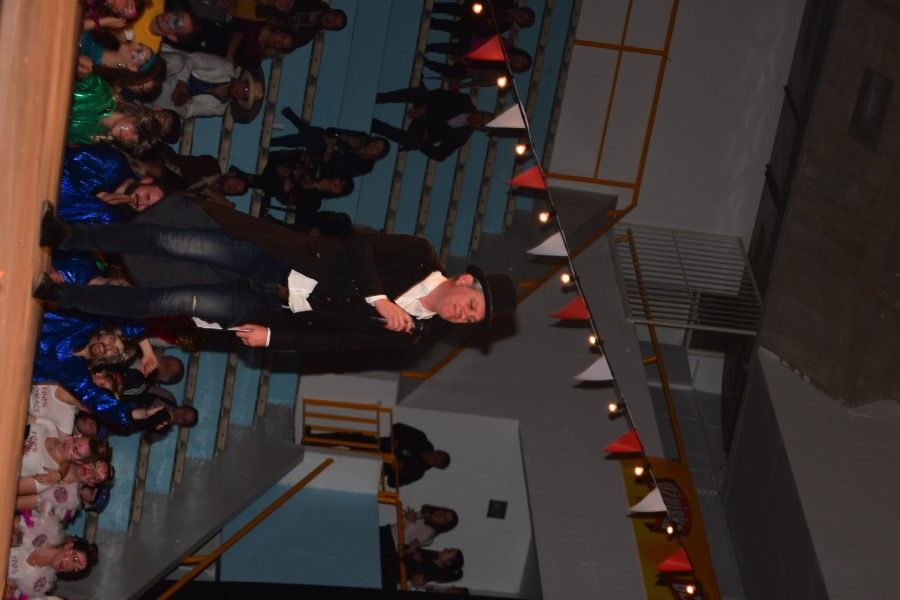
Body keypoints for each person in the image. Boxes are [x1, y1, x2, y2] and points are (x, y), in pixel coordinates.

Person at [36, 195, 518, 353]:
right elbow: (360, 245)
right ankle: (67, 235)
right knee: (174, 241)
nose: (463, 315)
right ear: (466, 281)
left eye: (470, 320)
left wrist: (273, 338)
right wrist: (379, 299)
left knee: (169, 302)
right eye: (471, 306)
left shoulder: (411, 335)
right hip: (278, 259)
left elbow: (334, 341)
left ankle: (63, 296)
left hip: (272, 307)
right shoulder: (419, 255)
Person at [372, 85, 494, 161]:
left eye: (480, 124)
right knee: (420, 93)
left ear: (479, 129)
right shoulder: (464, 100)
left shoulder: (462, 136)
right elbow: (438, 94)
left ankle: (375, 125)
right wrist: (425, 109)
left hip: (424, 130)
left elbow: (440, 155)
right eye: (481, 116)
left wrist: (424, 143)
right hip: (427, 107)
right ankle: (377, 98)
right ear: (481, 111)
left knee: (414, 142)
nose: (478, 120)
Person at [6, 510, 97, 598]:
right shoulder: (42, 528)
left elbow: (6, 584)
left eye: (74, 569)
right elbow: (6, 521)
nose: (69, 566)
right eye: (75, 559)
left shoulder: (34, 582)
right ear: (69, 546)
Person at [67, 73, 162, 157]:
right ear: (135, 116)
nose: (126, 136)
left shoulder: (93, 139)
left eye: (131, 141)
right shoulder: (101, 92)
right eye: (134, 130)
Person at [154, 49, 264, 121]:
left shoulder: (219, 109)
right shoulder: (225, 67)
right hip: (176, 70)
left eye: (244, 96)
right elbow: (193, 59)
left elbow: (189, 111)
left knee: (172, 108)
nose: (241, 93)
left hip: (170, 95)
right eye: (245, 88)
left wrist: (181, 103)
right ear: (243, 80)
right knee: (176, 61)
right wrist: (182, 83)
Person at [430, 1, 535, 37]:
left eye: (522, 20)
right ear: (522, 10)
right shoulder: (509, 2)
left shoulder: (506, 26)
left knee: (462, 29)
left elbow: (489, 32)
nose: (519, 16)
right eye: (522, 14)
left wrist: (488, 23)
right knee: (464, 10)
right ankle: (435, 7)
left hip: (476, 23)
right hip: (478, 8)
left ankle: (433, 23)